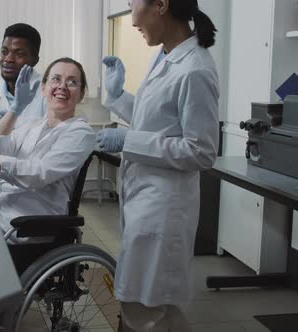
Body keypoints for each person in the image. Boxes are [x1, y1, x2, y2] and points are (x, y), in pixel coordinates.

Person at [97, 0, 220, 330]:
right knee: (148, 306)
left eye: (132, 2)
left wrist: (128, 142)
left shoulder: (195, 68)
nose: (130, 13)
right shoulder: (166, 54)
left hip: (165, 208)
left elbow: (202, 151)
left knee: (145, 308)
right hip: (146, 199)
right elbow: (155, 122)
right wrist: (119, 95)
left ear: (161, 5)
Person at [0, 58, 95, 243]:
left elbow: (38, 173)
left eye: (72, 82)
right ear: (43, 88)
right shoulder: (35, 125)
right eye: (56, 79)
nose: (62, 86)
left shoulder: (81, 133)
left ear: (81, 93)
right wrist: (16, 108)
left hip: (28, 222)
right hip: (1, 210)